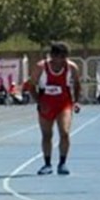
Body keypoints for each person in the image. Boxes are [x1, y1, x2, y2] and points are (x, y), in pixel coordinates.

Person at [28, 41, 81, 175]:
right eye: (58, 57)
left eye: (64, 57)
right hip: (46, 104)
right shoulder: (41, 67)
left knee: (64, 132)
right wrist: (39, 102)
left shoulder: (71, 67)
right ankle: (47, 164)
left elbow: (77, 84)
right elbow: (30, 86)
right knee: (47, 135)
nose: (61, 61)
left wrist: (76, 101)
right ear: (52, 56)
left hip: (64, 104)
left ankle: (62, 163)